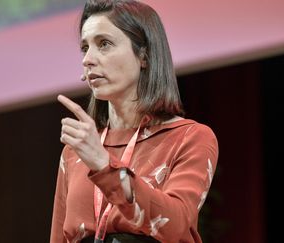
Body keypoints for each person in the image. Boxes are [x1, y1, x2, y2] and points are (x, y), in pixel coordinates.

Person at [50, 0, 219, 242]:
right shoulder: (75, 152)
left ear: (144, 56)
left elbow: (176, 225)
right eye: (85, 48)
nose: (88, 59)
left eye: (104, 44)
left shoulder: (190, 138)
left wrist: (104, 166)